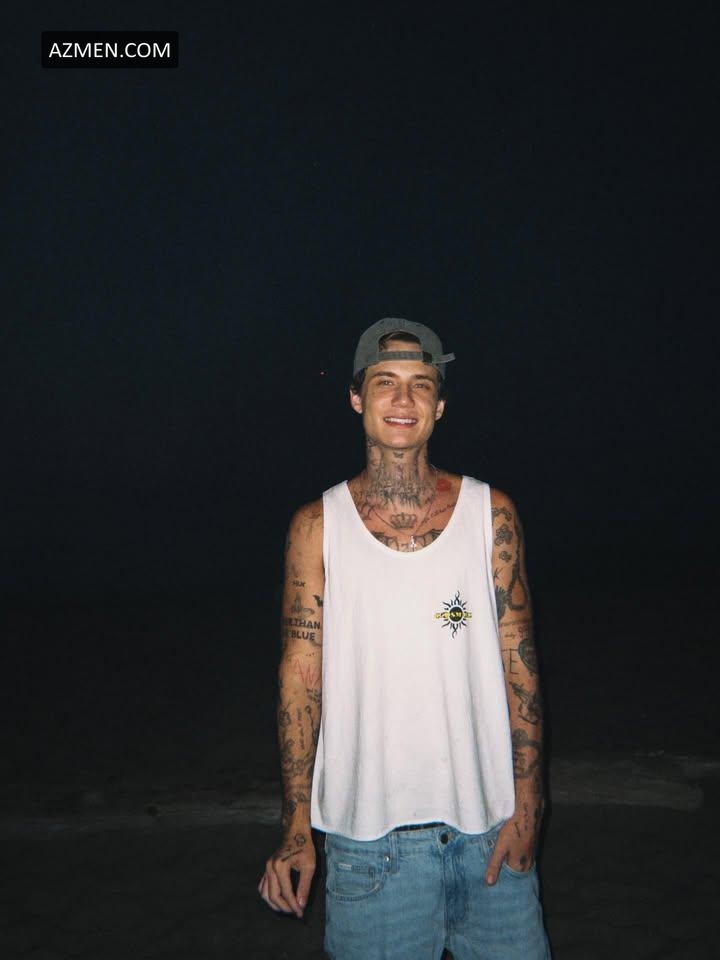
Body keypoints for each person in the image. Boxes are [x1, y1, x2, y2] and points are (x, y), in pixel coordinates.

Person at [259, 317, 551, 958]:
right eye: (384, 382)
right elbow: (299, 680)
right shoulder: (317, 527)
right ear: (356, 399)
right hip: (369, 846)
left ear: (439, 406)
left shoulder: (491, 514)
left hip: (491, 832)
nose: (402, 399)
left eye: (421, 384)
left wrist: (530, 803)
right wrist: (296, 826)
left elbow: (520, 662)